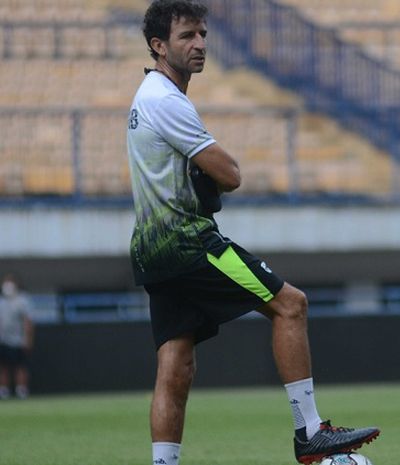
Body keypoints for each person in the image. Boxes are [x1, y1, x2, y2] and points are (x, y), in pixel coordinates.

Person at [127, 2, 379, 464]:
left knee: (175, 364)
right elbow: (231, 172)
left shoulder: (148, 95)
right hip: (188, 243)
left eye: (202, 33)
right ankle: (310, 432)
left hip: (150, 250)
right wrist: (214, 177)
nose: (200, 43)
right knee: (290, 305)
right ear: (159, 46)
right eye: (187, 36)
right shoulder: (165, 99)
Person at [0, 274, 34, 399]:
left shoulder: (23, 301)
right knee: (3, 366)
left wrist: (28, 339)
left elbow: (28, 322)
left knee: (21, 366)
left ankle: (21, 390)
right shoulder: (1, 302)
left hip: (19, 341)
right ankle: (3, 391)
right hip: (3, 341)